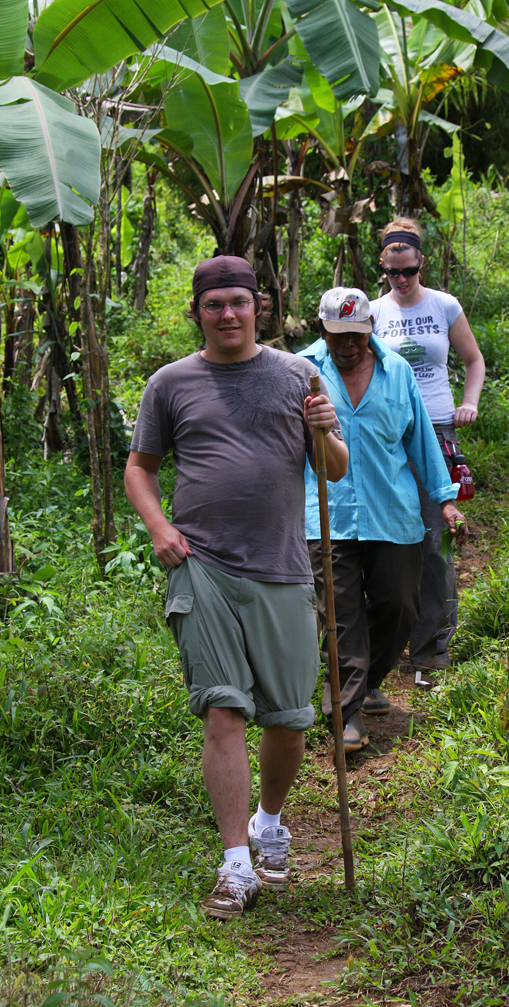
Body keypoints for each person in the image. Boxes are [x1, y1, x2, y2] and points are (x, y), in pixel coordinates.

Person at [124, 256, 347, 919]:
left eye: (238, 303)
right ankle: (235, 867)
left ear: (259, 308)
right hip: (203, 566)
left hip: (281, 569)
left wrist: (323, 429)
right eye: (214, 304)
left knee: (288, 720)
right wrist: (159, 527)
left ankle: (269, 824)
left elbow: (333, 469)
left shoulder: (297, 374)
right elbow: (140, 469)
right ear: (197, 311)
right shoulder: (170, 384)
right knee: (223, 710)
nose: (227, 314)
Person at [300, 286, 465, 754]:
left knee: (400, 607)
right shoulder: (302, 370)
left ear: (370, 327)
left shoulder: (397, 371)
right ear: (323, 330)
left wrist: (445, 499)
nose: (348, 345)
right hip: (326, 515)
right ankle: (347, 713)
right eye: (338, 335)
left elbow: (420, 441)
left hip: (392, 511)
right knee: (340, 615)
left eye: (356, 334)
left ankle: (367, 679)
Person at [369, 218, 486, 672]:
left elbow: (473, 361)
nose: (401, 281)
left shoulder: (444, 305)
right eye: (392, 272)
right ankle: (387, 643)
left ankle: (432, 649)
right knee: (390, 539)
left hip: (436, 429)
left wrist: (468, 402)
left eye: (408, 271)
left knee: (433, 539)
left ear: (421, 263)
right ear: (383, 266)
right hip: (390, 432)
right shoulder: (374, 312)